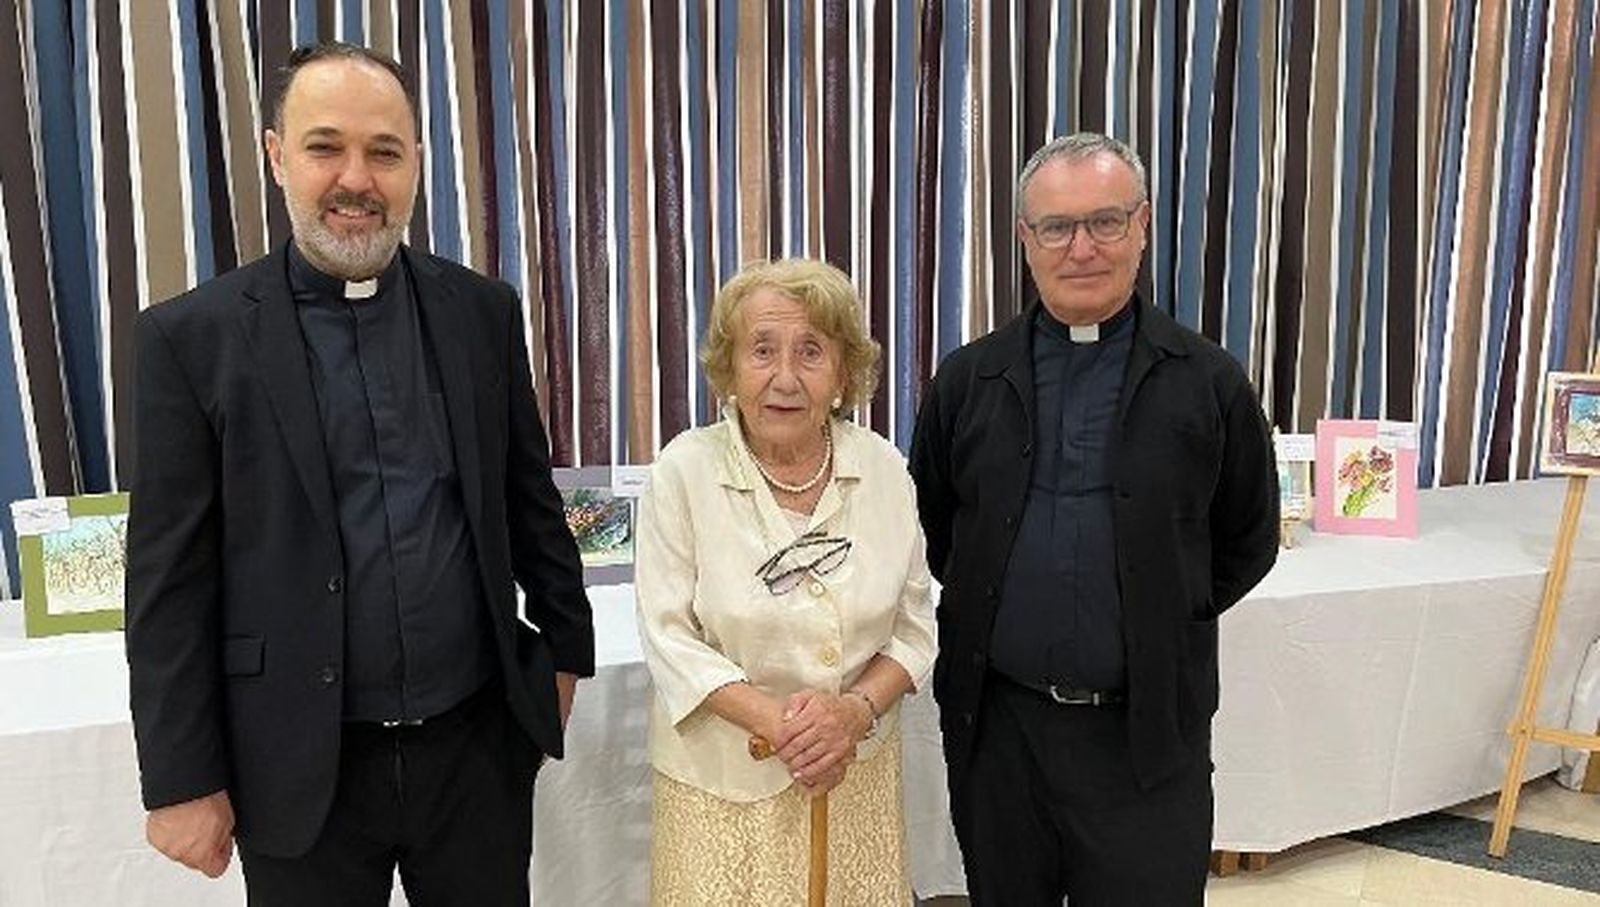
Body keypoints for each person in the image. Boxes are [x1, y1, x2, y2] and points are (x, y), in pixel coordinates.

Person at [124, 42, 593, 906]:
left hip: (474, 752)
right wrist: (180, 777)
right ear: (275, 155)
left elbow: (530, 497)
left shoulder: (480, 311)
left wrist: (565, 651)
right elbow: (167, 581)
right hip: (297, 765)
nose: (356, 178)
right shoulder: (191, 342)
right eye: (323, 146)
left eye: (384, 150)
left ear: (417, 161)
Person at [909, 132, 1279, 904]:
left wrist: (1160, 614)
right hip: (999, 733)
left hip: (1145, 739)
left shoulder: (1208, 381)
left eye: (1105, 222)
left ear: (1142, 225)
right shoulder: (968, 379)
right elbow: (939, 531)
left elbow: (1247, 537)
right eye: (1056, 227)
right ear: (1024, 239)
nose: (1082, 247)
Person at [635, 258, 937, 904]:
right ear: (730, 366)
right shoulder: (683, 472)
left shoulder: (884, 468)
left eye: (811, 352)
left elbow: (916, 628)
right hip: (720, 788)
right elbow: (668, 637)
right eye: (762, 350)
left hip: (853, 776)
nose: (785, 377)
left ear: (843, 373)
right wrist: (787, 725)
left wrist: (851, 715)